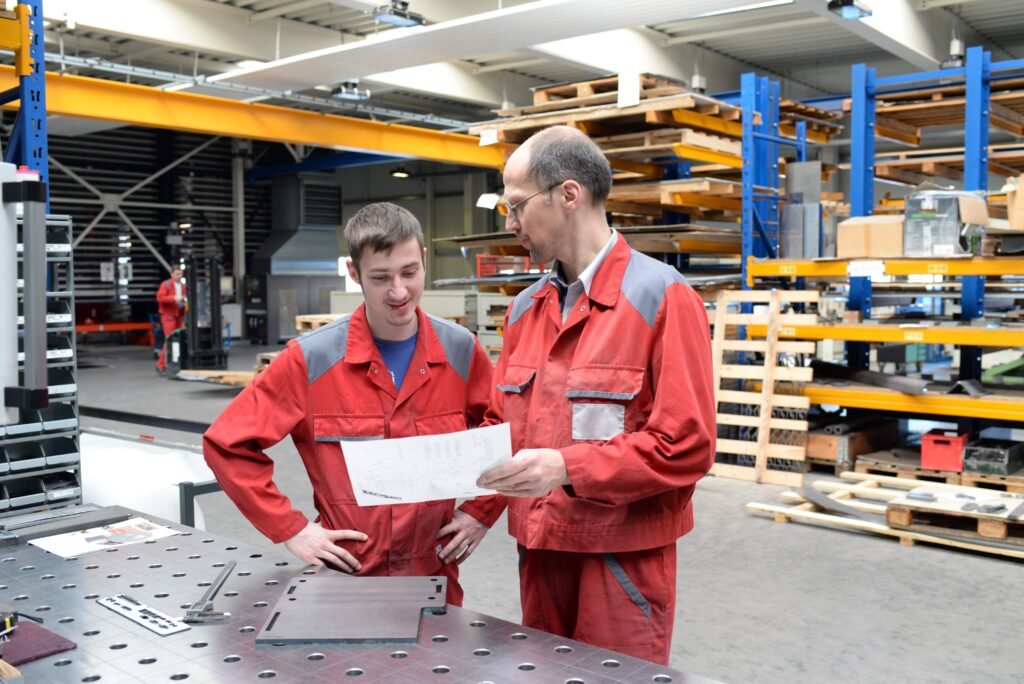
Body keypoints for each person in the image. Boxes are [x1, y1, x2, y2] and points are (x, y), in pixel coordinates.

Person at [475, 126, 716, 664]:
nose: (510, 224)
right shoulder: (524, 309)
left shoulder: (663, 298)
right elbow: (500, 429)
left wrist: (566, 467)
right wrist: (476, 510)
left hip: (619, 562)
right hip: (538, 554)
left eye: (516, 207)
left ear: (568, 195)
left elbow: (687, 446)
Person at [203, 202, 497, 605]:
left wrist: (481, 511)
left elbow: (506, 433)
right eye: (380, 278)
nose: (398, 292)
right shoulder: (312, 360)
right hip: (346, 575)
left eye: (409, 273)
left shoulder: (460, 352)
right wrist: (292, 529)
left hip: (434, 575)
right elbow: (226, 444)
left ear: (424, 260)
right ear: (353, 272)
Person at [155, 266, 187, 373]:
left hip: (179, 315)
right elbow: (160, 298)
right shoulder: (166, 284)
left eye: (181, 274)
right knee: (169, 339)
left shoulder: (183, 286)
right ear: (172, 274)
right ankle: (160, 364)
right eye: (177, 274)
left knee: (179, 339)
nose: (179, 276)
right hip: (168, 316)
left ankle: (175, 362)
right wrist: (173, 298)